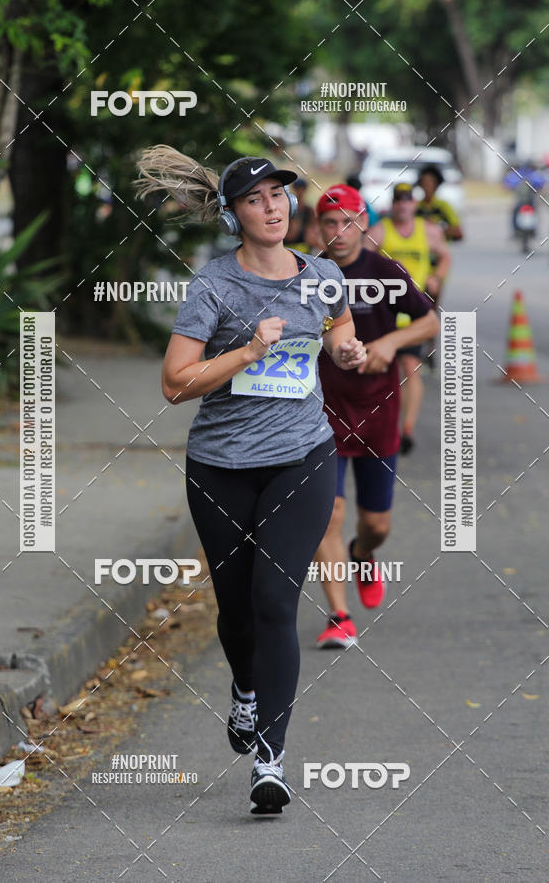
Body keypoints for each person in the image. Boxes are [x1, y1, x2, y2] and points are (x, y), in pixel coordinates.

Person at [134, 146, 366, 815]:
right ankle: (244, 691)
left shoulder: (322, 274)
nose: (273, 207)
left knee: (273, 600)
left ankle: (272, 759)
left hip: (303, 457)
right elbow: (175, 385)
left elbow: (338, 325)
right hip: (221, 467)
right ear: (235, 215)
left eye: (280, 195)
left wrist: (344, 347)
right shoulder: (214, 286)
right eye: (257, 199)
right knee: (235, 611)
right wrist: (246, 351)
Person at [313, 185, 438, 646]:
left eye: (348, 221)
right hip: (322, 411)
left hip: (378, 411)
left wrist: (390, 343)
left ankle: (363, 554)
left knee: (376, 526)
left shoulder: (385, 271)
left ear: (364, 225)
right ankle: (338, 615)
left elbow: (430, 320)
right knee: (329, 515)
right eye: (330, 222)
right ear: (317, 228)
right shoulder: (307, 273)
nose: (339, 232)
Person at [366, 183, 450, 454]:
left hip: (414, 311)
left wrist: (437, 276)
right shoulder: (380, 231)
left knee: (411, 367)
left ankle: (407, 429)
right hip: (384, 312)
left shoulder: (429, 231)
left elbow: (445, 256)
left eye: (407, 200)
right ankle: (377, 425)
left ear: (414, 204)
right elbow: (361, 261)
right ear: (393, 205)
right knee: (378, 369)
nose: (403, 205)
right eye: (398, 200)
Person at [416, 165, 463, 241]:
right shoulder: (416, 207)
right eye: (424, 183)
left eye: (430, 183)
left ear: (436, 185)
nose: (427, 186)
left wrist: (437, 226)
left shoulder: (443, 206)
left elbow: (459, 233)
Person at [283, 178, 319, 252]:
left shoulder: (309, 210)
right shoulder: (288, 208)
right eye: (297, 189)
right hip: (287, 248)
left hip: (303, 248)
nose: (300, 191)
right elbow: (291, 235)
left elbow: (312, 234)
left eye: (301, 189)